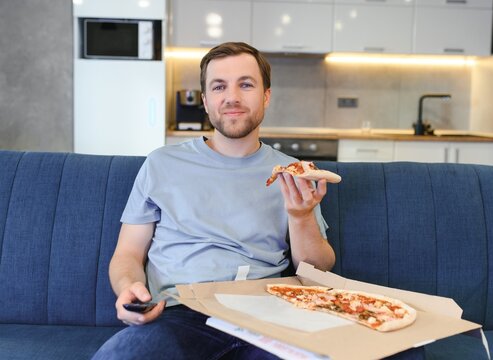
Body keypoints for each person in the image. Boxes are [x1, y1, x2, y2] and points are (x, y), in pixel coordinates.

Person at [92, 42, 335, 359]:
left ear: (266, 95)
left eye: (245, 84)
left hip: (268, 316)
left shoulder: (290, 172)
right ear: (206, 101)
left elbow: (319, 270)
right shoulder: (161, 164)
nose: (232, 97)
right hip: (177, 313)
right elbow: (127, 254)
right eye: (219, 86)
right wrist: (129, 288)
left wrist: (302, 218)